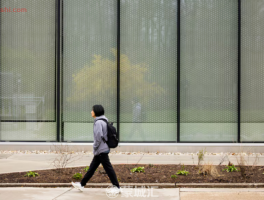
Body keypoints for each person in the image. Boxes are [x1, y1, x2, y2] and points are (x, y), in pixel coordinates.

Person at [71, 105, 121, 193]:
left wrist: (94, 147)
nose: (91, 112)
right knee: (92, 168)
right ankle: (82, 184)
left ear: (96, 112)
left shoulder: (98, 122)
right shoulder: (104, 120)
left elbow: (98, 137)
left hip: (101, 149)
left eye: (92, 110)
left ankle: (117, 187)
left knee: (108, 169)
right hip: (102, 149)